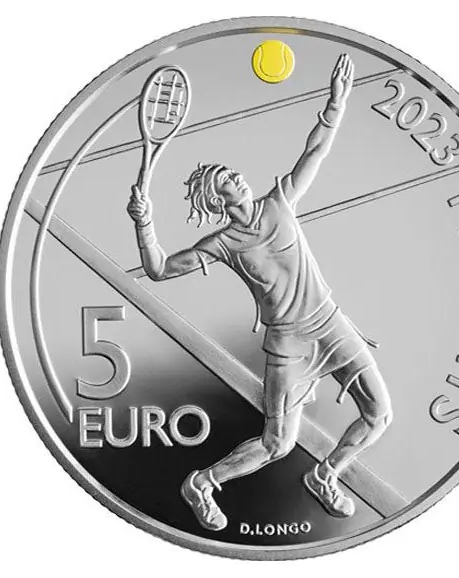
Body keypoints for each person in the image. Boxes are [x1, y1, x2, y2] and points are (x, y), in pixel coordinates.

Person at [127, 54, 392, 531]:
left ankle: (326, 475)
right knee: (277, 445)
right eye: (227, 179)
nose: (237, 176)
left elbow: (315, 152)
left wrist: (336, 102)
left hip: (331, 325)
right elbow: (159, 269)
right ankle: (202, 483)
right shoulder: (222, 243)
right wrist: (144, 223)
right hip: (289, 345)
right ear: (217, 200)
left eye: (233, 172)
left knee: (379, 414)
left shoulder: (280, 202)